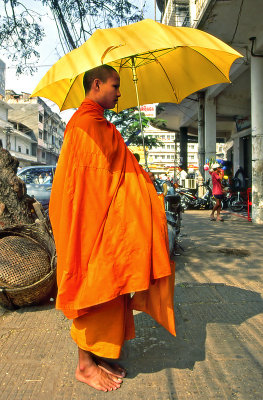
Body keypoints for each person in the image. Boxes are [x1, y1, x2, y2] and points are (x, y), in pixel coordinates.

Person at [49, 65, 176, 393]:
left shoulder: (95, 123)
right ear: (96, 84)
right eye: (115, 85)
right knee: (91, 287)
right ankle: (84, 365)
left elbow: (112, 171)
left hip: (103, 222)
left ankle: (97, 356)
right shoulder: (86, 125)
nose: (119, 93)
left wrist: (134, 170)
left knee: (109, 287)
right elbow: (87, 187)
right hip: (91, 226)